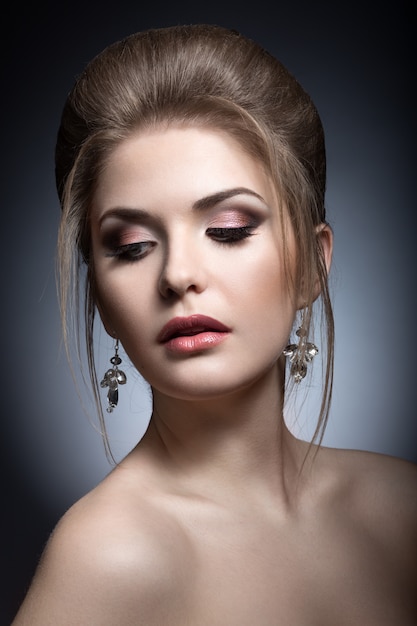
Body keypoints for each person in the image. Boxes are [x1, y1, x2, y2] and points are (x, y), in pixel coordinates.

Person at [12, 24, 416, 625]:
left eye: (227, 230)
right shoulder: (109, 554)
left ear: (311, 263)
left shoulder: (401, 508)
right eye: (131, 245)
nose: (178, 274)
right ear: (98, 296)